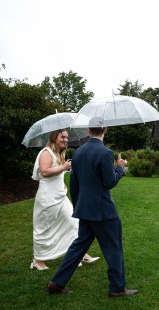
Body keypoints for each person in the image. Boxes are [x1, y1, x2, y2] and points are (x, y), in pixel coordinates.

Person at [45, 118, 138, 297]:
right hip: (104, 212)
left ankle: (56, 283)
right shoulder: (105, 153)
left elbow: (74, 183)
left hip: (85, 209)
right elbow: (110, 182)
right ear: (105, 129)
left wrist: (79, 204)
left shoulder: (78, 152)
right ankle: (117, 288)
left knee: (78, 246)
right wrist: (120, 168)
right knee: (113, 247)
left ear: (88, 130)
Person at [31, 129, 98, 271]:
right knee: (43, 227)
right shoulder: (46, 152)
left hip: (60, 196)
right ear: (55, 137)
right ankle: (37, 260)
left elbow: (55, 173)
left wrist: (61, 181)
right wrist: (63, 167)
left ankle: (79, 253)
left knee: (74, 222)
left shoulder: (58, 153)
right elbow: (44, 171)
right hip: (47, 197)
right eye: (63, 137)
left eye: (67, 137)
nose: (66, 140)